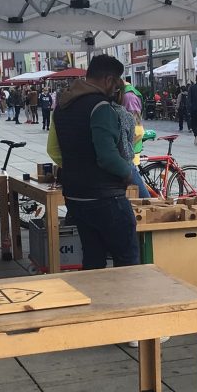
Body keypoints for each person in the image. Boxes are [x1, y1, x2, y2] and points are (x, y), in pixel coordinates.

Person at [52, 54, 138, 269]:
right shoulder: (100, 107)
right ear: (108, 80)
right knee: (128, 261)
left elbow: (55, 149)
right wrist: (127, 172)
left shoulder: (63, 106)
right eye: (116, 84)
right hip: (105, 196)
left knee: (92, 260)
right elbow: (107, 156)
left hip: (75, 195)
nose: (116, 89)